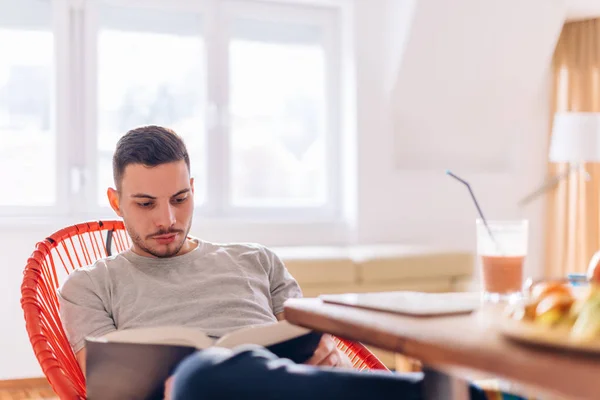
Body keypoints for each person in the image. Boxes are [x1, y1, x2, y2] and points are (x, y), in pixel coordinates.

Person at [58, 125, 516, 400]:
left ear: (194, 187)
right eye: (145, 204)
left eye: (180, 198)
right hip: (192, 393)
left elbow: (312, 346)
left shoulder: (256, 260)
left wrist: (325, 354)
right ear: (115, 201)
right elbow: (102, 385)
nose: (168, 218)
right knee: (201, 376)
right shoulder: (90, 284)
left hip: (283, 390)